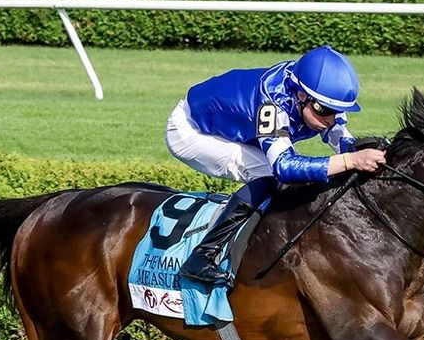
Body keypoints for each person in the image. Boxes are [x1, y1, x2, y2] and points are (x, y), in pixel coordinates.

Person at [166, 45, 387, 287]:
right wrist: (350, 160)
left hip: (235, 127)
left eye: (338, 112)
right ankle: (201, 257)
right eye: (323, 110)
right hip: (191, 130)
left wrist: (365, 153)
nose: (331, 119)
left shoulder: (316, 95)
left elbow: (342, 140)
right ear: (301, 95)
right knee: (269, 175)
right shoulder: (272, 102)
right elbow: (284, 166)